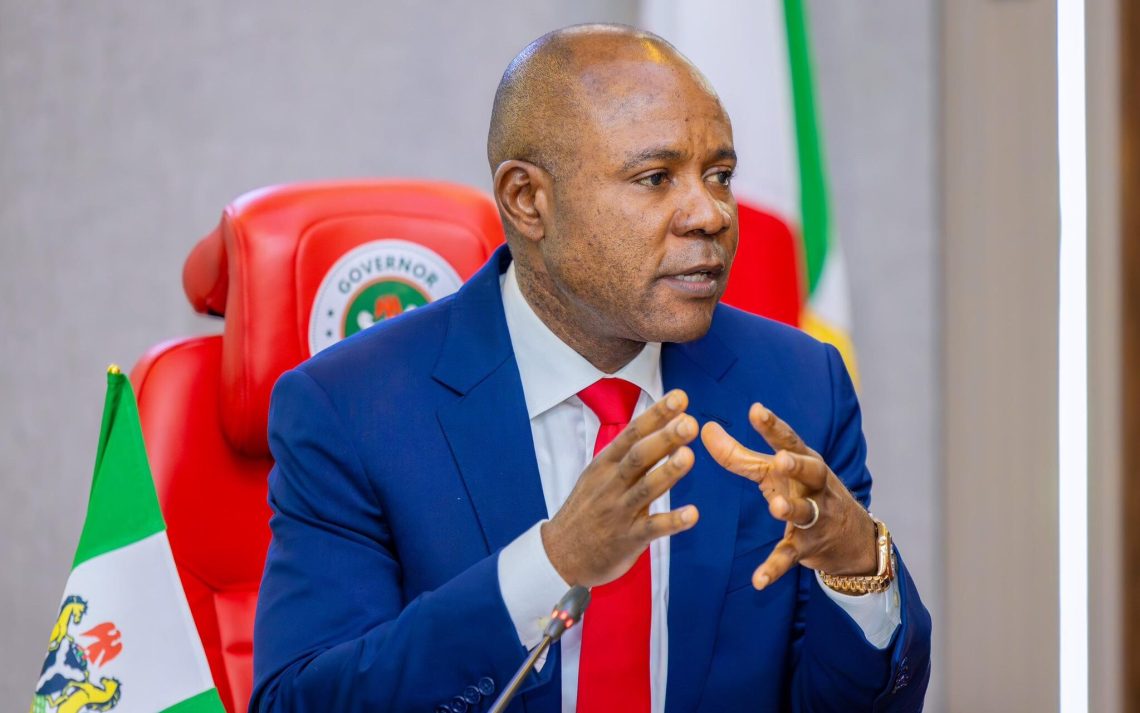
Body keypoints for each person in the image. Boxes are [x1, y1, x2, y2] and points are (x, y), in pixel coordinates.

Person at [251, 24, 931, 713]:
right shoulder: (354, 408)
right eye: (655, 178)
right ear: (528, 200)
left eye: (719, 175)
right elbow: (300, 701)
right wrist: (551, 564)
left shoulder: (799, 385)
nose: (711, 214)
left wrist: (856, 564)